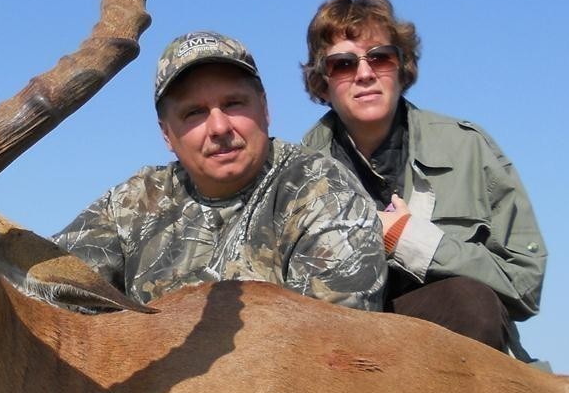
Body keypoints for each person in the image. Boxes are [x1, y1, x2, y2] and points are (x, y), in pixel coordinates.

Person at [55, 30, 386, 311]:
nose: (218, 126)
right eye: (194, 113)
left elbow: (329, 346)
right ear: (167, 135)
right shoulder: (131, 204)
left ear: (265, 108)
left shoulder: (322, 191)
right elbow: (49, 289)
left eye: (233, 104)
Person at [299, 0, 546, 356]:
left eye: (380, 58)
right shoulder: (296, 175)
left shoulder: (468, 149)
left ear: (403, 67)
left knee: (469, 304)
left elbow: (525, 285)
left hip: (458, 361)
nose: (364, 74)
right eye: (343, 64)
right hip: (342, 359)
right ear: (322, 81)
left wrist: (412, 241)